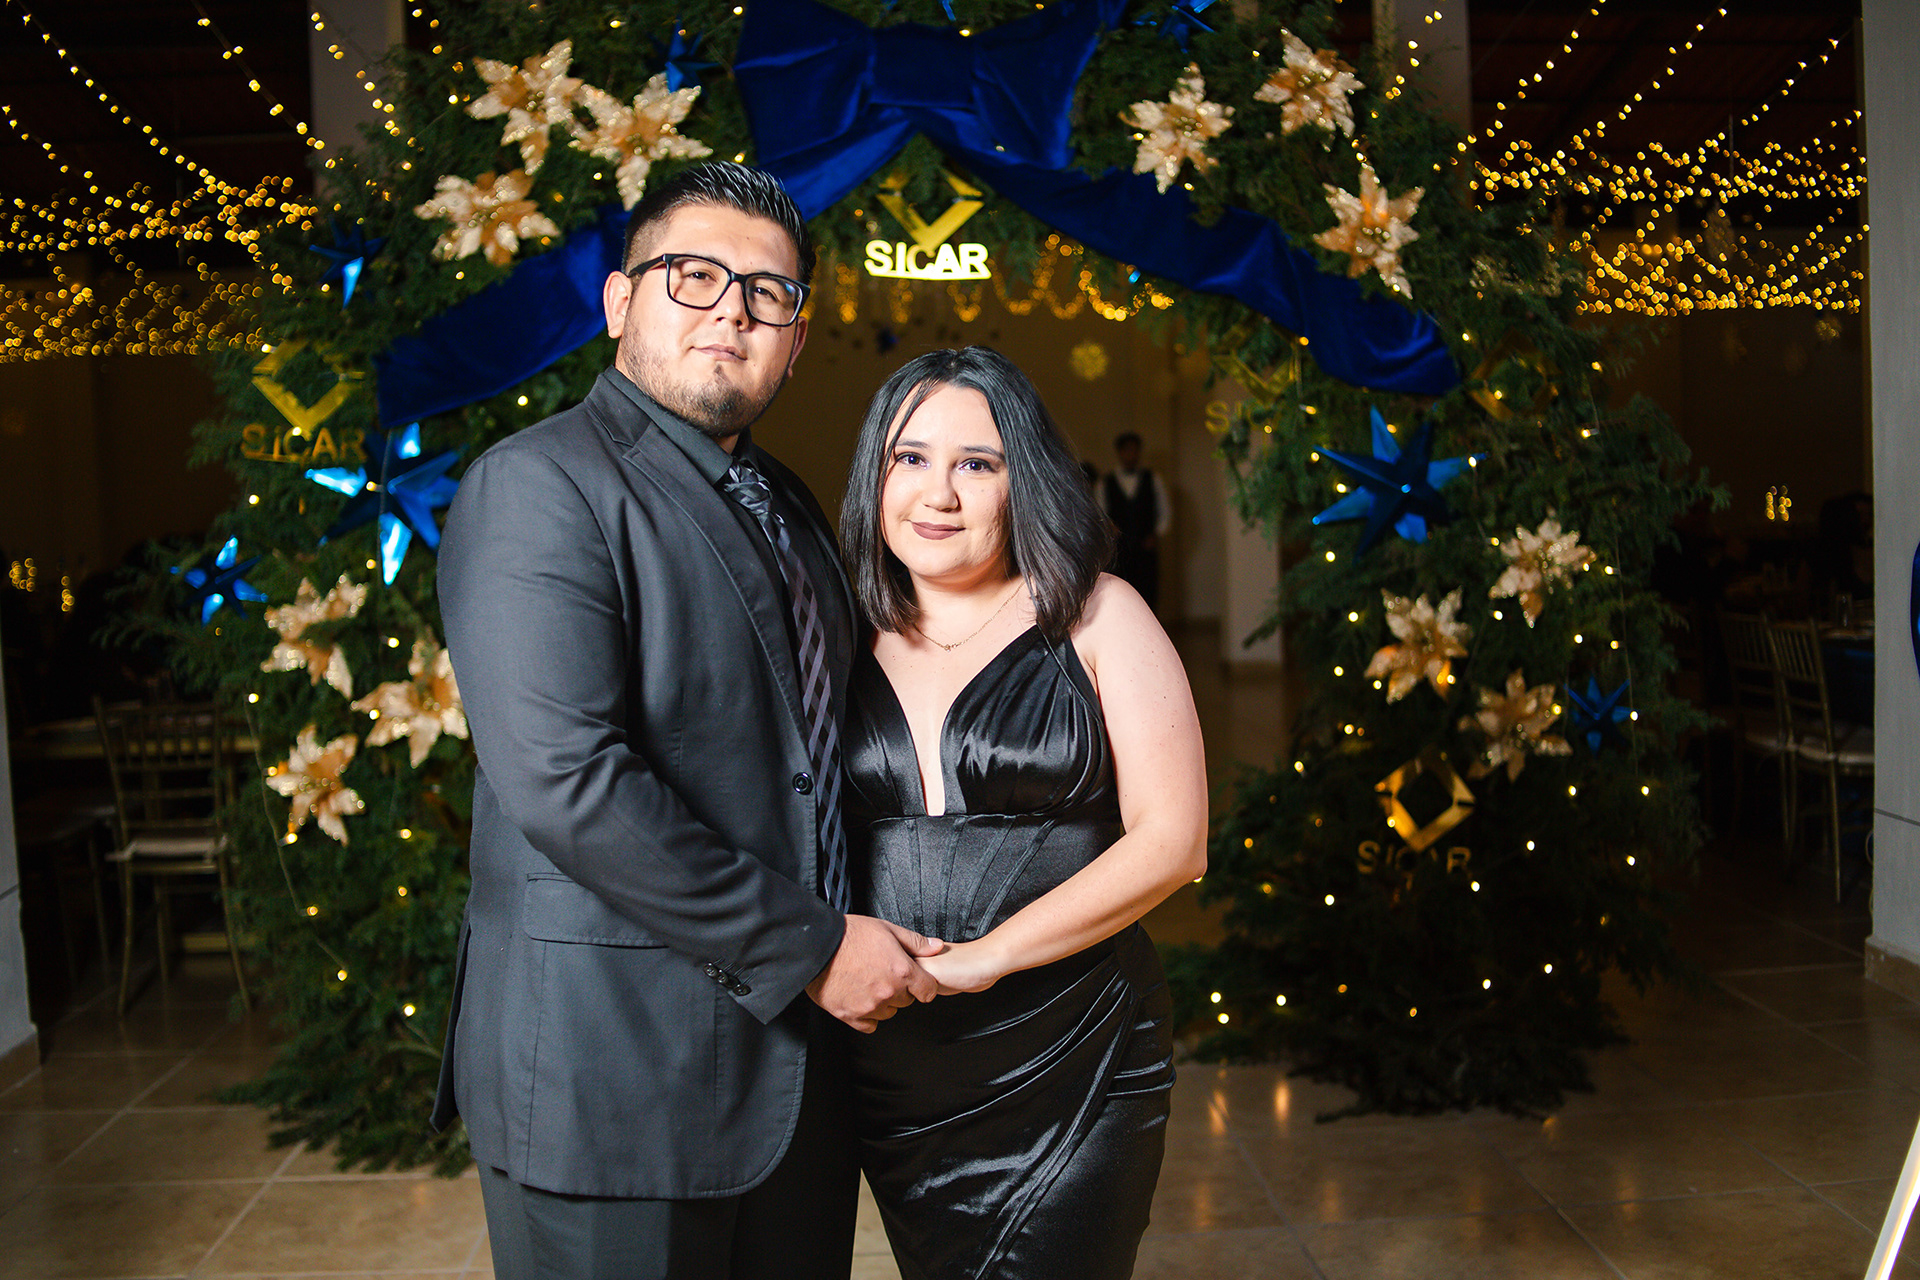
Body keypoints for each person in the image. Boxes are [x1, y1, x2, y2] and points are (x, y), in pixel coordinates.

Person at [432, 162, 943, 1280]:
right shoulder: (538, 485)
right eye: (694, 275)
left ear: (794, 341)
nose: (732, 311)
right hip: (612, 1077)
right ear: (620, 301)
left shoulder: (792, 503)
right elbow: (571, 782)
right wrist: (816, 948)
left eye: (769, 293)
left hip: (795, 1079)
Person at [837, 347, 1209, 1279]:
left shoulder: (1100, 615)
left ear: (1023, 482)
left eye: (977, 463)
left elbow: (1175, 841)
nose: (938, 494)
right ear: (875, 474)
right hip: (897, 1069)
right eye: (910, 457)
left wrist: (986, 957)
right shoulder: (833, 629)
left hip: (1076, 1050)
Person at [1100, 431, 1172, 610]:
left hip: (1145, 549)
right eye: (1127, 450)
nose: (1131, 454)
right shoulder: (1105, 482)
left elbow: (1165, 511)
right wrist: (1109, 530)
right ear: (1119, 452)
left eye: (1134, 450)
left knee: (1148, 594)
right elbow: (1100, 514)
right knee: (1119, 594)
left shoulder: (1153, 479)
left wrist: (1156, 534)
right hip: (1119, 550)